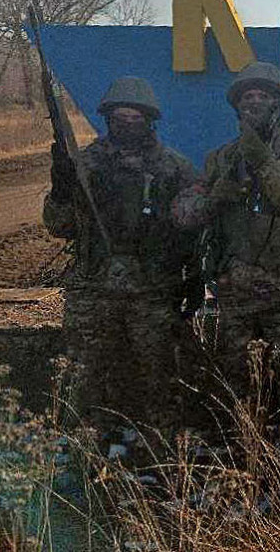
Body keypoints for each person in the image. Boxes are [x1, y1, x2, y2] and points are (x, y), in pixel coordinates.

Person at [173, 62, 280, 466]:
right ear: (236, 107)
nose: (254, 103)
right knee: (240, 387)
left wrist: (262, 161)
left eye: (263, 97)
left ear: (279, 104)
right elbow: (183, 215)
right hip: (236, 294)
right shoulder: (221, 159)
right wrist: (217, 196)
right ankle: (247, 471)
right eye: (247, 98)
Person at [43, 76, 202, 433]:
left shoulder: (174, 168)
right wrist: (62, 189)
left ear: (149, 120)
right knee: (85, 379)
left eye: (135, 118)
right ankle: (85, 456)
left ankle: (160, 458)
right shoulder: (87, 164)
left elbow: (194, 228)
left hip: (152, 293)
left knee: (158, 379)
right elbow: (59, 225)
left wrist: (192, 280)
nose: (127, 124)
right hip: (94, 292)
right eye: (119, 117)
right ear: (107, 119)